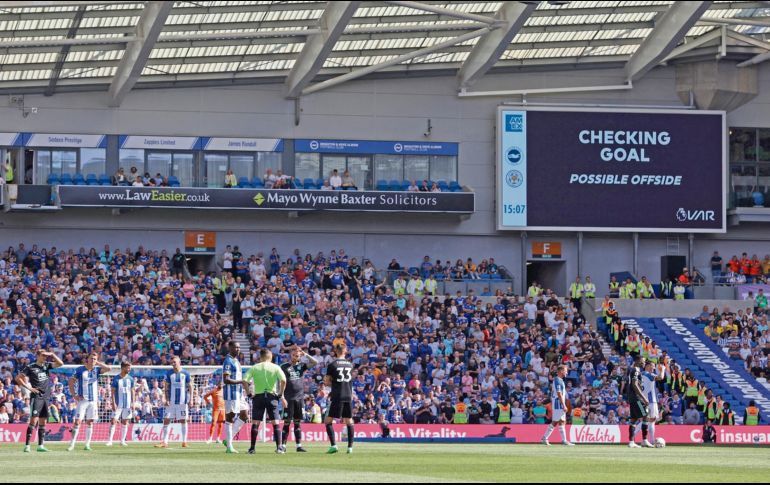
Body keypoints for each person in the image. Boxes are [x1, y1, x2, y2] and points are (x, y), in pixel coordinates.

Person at [16, 349, 63, 453]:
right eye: (43, 355)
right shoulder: (31, 367)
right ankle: (27, 445)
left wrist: (52, 354)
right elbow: (18, 378)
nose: (45, 357)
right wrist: (29, 388)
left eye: (46, 356)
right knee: (33, 421)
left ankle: (40, 445)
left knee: (43, 421)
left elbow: (61, 363)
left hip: (46, 397)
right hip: (36, 396)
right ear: (37, 356)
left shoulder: (47, 365)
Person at [244, 348, 287, 454]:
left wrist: (249, 393)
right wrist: (280, 393)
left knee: (255, 422)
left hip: (258, 396)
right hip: (272, 396)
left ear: (261, 357)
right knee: (275, 422)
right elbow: (283, 380)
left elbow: (244, 381)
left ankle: (252, 448)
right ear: (270, 357)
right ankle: (279, 447)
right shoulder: (275, 367)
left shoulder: (255, 367)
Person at [68, 352, 110, 452]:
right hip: (83, 400)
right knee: (77, 422)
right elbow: (71, 381)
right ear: (87, 359)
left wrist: (98, 363)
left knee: (90, 422)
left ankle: (87, 444)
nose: (93, 360)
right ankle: (72, 444)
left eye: (95, 359)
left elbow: (108, 369)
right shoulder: (80, 369)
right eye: (91, 358)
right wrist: (74, 395)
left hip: (93, 401)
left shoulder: (97, 370)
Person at [280, 346, 319, 453]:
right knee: (287, 422)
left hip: (299, 398)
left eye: (297, 355)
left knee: (297, 423)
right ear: (290, 355)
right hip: (288, 398)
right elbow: (279, 381)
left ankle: (299, 446)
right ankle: (283, 445)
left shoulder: (301, 366)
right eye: (294, 354)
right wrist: (281, 396)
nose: (295, 356)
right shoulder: (283, 366)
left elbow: (315, 362)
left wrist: (305, 354)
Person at [155, 356, 193, 449]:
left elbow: (190, 386)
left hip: (182, 402)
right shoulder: (169, 373)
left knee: (183, 420)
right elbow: (166, 387)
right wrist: (166, 398)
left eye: (174, 362)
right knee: (166, 419)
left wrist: (191, 399)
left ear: (179, 362)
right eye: (172, 362)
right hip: (171, 402)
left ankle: (184, 442)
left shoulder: (186, 373)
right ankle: (165, 442)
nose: (173, 364)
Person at [325, 343, 355, 454]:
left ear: (336, 351)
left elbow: (327, 382)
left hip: (337, 395)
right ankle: (350, 447)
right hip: (348, 394)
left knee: (328, 421)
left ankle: (334, 445)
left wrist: (333, 383)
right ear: (345, 351)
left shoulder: (332, 364)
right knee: (349, 421)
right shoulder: (350, 365)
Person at [222, 342, 249, 454]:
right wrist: (241, 381)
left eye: (239, 347)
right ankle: (229, 446)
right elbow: (226, 380)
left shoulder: (236, 360)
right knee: (230, 417)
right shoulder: (228, 361)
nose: (238, 349)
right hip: (231, 393)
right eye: (235, 347)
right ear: (230, 348)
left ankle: (227, 440)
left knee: (244, 414)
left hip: (239, 393)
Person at [541, 365, 574, 446]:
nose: (567, 372)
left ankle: (546, 438)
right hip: (558, 404)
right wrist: (563, 405)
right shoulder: (558, 380)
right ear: (561, 371)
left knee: (558, 421)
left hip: (558, 404)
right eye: (566, 370)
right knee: (559, 421)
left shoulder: (559, 380)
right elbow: (559, 393)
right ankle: (562, 440)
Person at [107, 361, 135, 447]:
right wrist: (113, 403)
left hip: (127, 404)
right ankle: (110, 441)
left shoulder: (131, 379)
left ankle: (122, 441)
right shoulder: (116, 379)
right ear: (123, 368)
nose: (129, 369)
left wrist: (133, 402)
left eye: (130, 368)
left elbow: (133, 391)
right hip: (118, 404)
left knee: (125, 422)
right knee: (113, 421)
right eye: (128, 368)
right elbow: (112, 392)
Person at [641, 359, 665, 448]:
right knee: (652, 421)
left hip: (643, 400)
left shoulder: (641, 374)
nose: (654, 368)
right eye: (653, 366)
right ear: (647, 366)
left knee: (646, 420)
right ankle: (650, 441)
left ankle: (642, 439)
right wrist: (663, 369)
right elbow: (661, 377)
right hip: (651, 401)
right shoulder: (649, 375)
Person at [626, 355, 649, 448]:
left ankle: (631, 442)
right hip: (636, 397)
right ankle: (644, 440)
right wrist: (644, 397)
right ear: (637, 361)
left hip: (632, 398)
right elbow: (634, 384)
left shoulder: (633, 370)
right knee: (646, 416)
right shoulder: (636, 370)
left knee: (634, 419)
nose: (644, 363)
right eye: (643, 361)